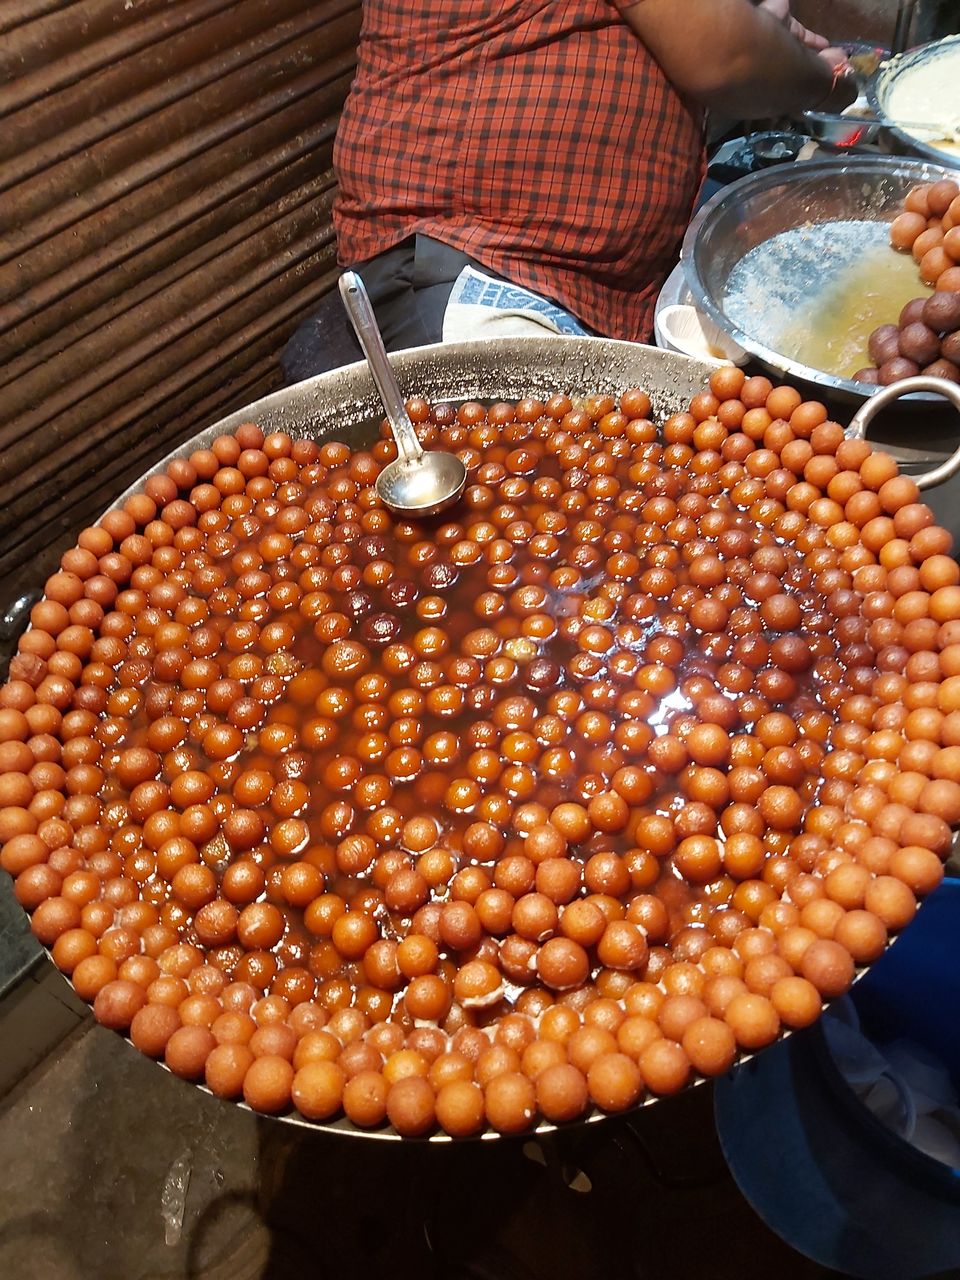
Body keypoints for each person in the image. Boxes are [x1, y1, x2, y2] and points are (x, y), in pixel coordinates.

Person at [282, 0, 854, 379]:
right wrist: (824, 83)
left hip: (578, 291)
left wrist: (762, 30)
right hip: (473, 265)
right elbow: (723, 58)